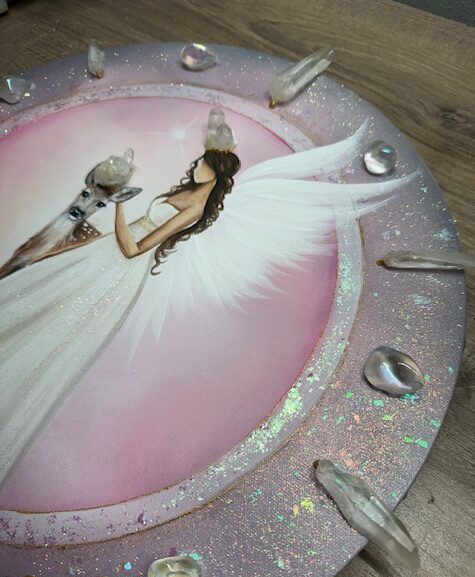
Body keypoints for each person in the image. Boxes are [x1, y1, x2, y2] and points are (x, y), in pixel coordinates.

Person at [0, 109, 417, 485]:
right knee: (37, 291)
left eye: (204, 162)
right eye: (199, 160)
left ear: (216, 172)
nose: (196, 165)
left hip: (118, 271)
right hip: (103, 254)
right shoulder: (181, 193)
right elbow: (132, 234)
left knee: (58, 320)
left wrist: (120, 207)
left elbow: (134, 249)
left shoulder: (195, 211)